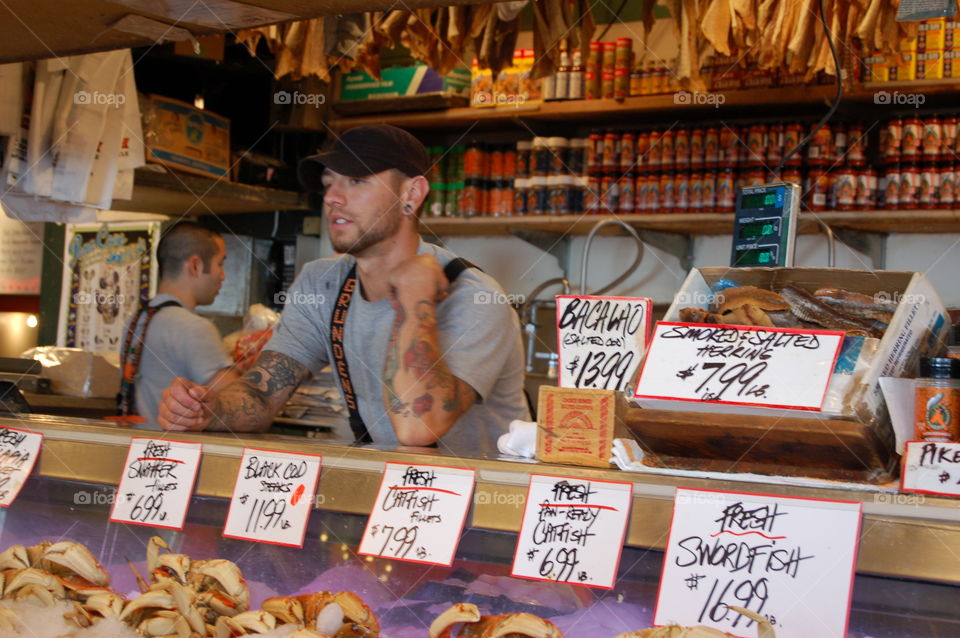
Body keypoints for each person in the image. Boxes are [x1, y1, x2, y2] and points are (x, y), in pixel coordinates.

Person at [158, 125, 529, 455]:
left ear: (411, 194)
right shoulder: (322, 283)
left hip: (481, 519)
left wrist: (415, 298)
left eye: (356, 180)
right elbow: (261, 394)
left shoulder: (475, 297)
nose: (333, 196)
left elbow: (418, 427)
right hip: (383, 503)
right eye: (328, 183)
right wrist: (208, 411)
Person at [117, 222, 239, 429]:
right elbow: (236, 402)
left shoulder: (137, 319)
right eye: (220, 264)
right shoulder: (193, 327)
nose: (223, 276)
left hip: (136, 448)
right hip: (178, 455)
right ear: (195, 266)